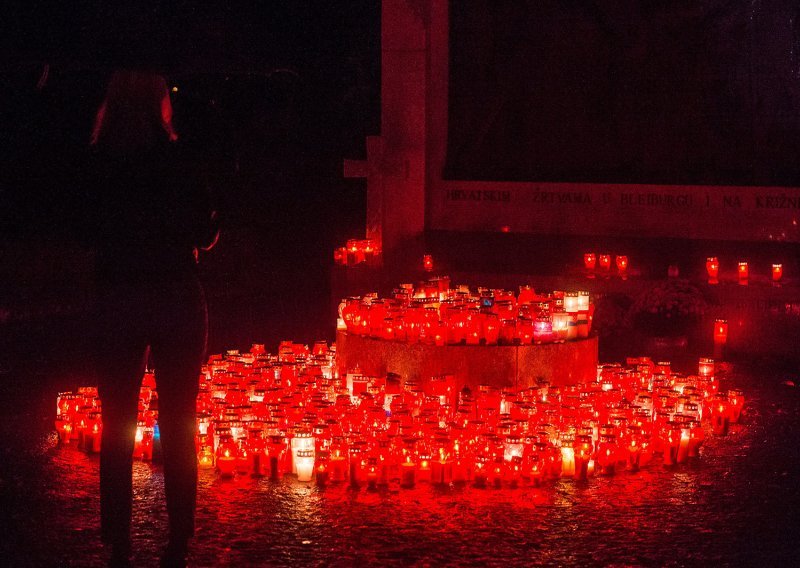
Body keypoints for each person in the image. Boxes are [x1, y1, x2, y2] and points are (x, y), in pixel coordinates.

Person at [87, 69, 218, 567]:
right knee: (179, 420)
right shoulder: (180, 160)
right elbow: (205, 232)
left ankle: (118, 541)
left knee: (117, 420)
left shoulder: (100, 164)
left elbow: (83, 230)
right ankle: (178, 540)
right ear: (160, 106)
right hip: (176, 298)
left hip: (118, 297)